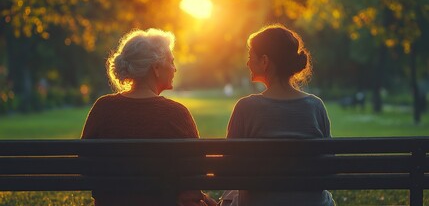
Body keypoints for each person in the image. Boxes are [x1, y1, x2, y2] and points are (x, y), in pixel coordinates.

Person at [81, 28, 216, 206]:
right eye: (171, 61)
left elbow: (84, 164)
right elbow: (196, 175)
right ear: (156, 68)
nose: (174, 68)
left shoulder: (103, 108)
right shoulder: (177, 114)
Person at [222, 24, 335, 206]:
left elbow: (227, 169)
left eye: (251, 57)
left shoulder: (245, 107)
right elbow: (328, 165)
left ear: (265, 61)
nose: (247, 63)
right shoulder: (316, 106)